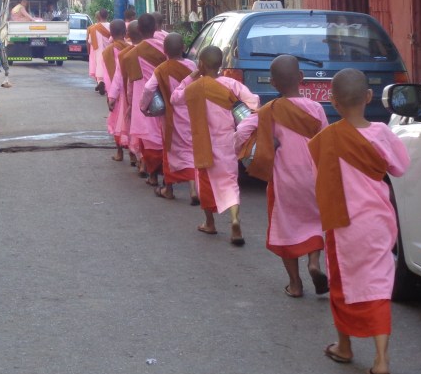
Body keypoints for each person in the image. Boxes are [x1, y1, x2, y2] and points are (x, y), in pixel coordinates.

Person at [308, 68, 410, 374]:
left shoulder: (326, 139)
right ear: (368, 97)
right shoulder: (381, 133)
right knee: (379, 285)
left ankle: (345, 346)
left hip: (344, 225)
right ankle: (381, 360)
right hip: (378, 223)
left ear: (333, 102)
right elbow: (400, 167)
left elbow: (318, 177)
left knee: (343, 282)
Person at [234, 55, 329, 297]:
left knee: (285, 227)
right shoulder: (316, 109)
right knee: (314, 222)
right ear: (301, 78)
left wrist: (255, 146)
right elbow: (326, 143)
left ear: (273, 83)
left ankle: (295, 284)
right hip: (314, 179)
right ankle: (315, 263)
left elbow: (242, 131)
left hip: (284, 181)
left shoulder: (269, 111)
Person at [176, 45, 259, 245]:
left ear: (200, 65)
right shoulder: (232, 85)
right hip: (227, 142)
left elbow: (175, 98)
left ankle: (209, 222)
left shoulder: (194, 87)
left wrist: (190, 77)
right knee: (230, 182)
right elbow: (254, 104)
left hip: (204, 142)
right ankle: (234, 220)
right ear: (220, 65)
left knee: (205, 183)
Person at [141, 33, 198, 203]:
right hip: (193, 115)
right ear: (183, 48)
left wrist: (143, 108)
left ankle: (169, 189)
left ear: (164, 51)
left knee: (171, 152)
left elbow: (149, 89)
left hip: (172, 117)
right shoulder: (192, 66)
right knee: (191, 150)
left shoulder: (161, 69)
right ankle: (194, 189)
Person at [120, 14, 167, 187]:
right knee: (165, 137)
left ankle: (151, 173)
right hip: (166, 96)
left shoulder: (132, 55)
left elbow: (131, 83)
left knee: (149, 139)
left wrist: (131, 104)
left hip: (144, 100)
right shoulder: (165, 48)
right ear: (156, 28)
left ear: (139, 30)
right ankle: (166, 176)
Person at [108, 21, 143, 168]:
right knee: (141, 127)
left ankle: (124, 154)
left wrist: (112, 96)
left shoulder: (121, 54)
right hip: (144, 94)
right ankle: (138, 159)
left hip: (124, 94)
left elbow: (116, 77)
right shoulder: (144, 51)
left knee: (123, 124)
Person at [101, 20, 131, 162]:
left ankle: (119, 153)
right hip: (129, 92)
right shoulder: (131, 48)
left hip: (115, 92)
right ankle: (133, 156)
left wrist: (110, 95)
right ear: (125, 33)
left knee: (116, 122)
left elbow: (107, 76)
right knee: (130, 123)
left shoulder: (107, 51)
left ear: (111, 34)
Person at [88, 9, 111, 95]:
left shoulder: (93, 28)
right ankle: (107, 84)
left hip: (98, 50)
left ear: (99, 16)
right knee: (108, 67)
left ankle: (100, 82)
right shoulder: (111, 26)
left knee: (99, 66)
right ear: (107, 16)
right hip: (109, 50)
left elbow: (90, 41)